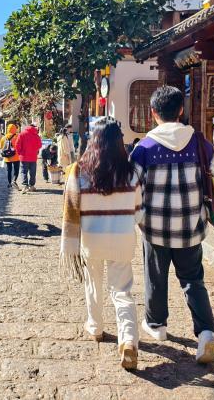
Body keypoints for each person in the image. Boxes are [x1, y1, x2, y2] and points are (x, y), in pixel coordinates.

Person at [130, 86, 214, 364]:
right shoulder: (200, 143)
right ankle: (206, 332)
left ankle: (157, 326)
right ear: (181, 110)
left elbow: (131, 187)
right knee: (193, 279)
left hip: (155, 228)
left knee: (155, 276)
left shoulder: (143, 148)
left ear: (153, 113)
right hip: (191, 226)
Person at [60, 118, 140, 369]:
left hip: (91, 241)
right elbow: (138, 209)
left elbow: (74, 210)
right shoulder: (132, 172)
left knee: (92, 284)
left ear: (92, 140)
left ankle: (95, 327)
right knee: (122, 291)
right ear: (119, 141)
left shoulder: (79, 171)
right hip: (122, 239)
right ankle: (128, 340)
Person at [15, 123, 42, 193]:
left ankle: (25, 186)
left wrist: (20, 153)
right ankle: (31, 186)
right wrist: (34, 150)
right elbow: (39, 145)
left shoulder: (22, 134)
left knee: (24, 172)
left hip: (24, 157)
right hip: (33, 157)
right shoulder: (36, 135)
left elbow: (17, 145)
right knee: (33, 172)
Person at [0, 124, 21, 189]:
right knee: (16, 170)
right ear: (15, 129)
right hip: (16, 156)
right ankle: (14, 181)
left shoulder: (4, 137)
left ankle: (9, 183)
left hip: (7, 157)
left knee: (9, 170)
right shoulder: (17, 137)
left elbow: (1, 147)